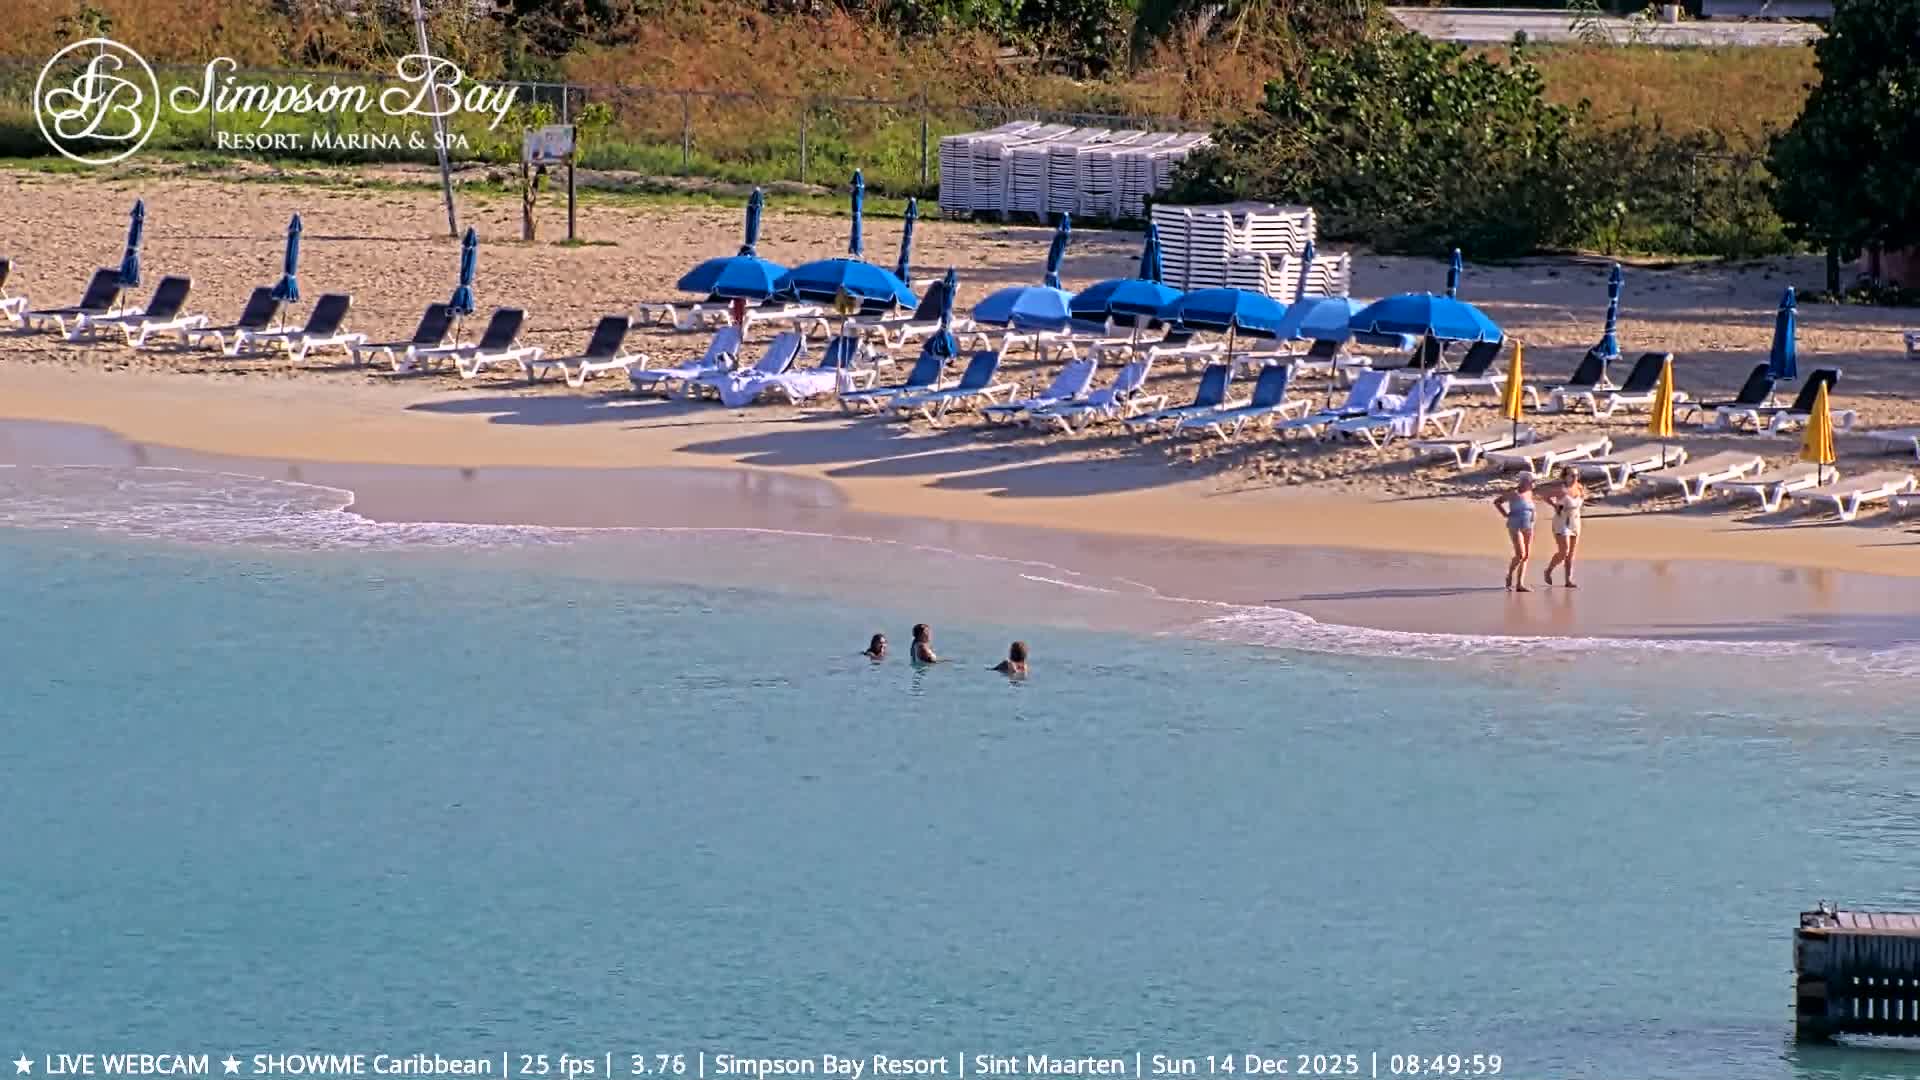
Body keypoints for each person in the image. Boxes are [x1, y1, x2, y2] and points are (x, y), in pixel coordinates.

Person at [1541, 465, 1587, 588]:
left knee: (1571, 553)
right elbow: (1545, 496)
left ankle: (1568, 580)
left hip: (1575, 521)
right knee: (1564, 551)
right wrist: (1555, 505)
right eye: (1572, 475)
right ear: (1565, 476)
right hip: (1561, 521)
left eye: (1576, 475)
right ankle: (1549, 570)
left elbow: (1582, 500)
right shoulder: (1561, 489)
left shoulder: (1580, 488)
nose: (1575, 477)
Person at [1492, 473, 1538, 592]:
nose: (1534, 483)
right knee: (1520, 555)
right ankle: (1510, 574)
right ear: (1524, 481)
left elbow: (1531, 508)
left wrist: (1533, 517)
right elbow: (1497, 502)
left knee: (1526, 556)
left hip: (1528, 526)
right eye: (1532, 481)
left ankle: (1519, 584)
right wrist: (1505, 514)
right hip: (1515, 525)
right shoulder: (1514, 493)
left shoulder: (1530, 493)